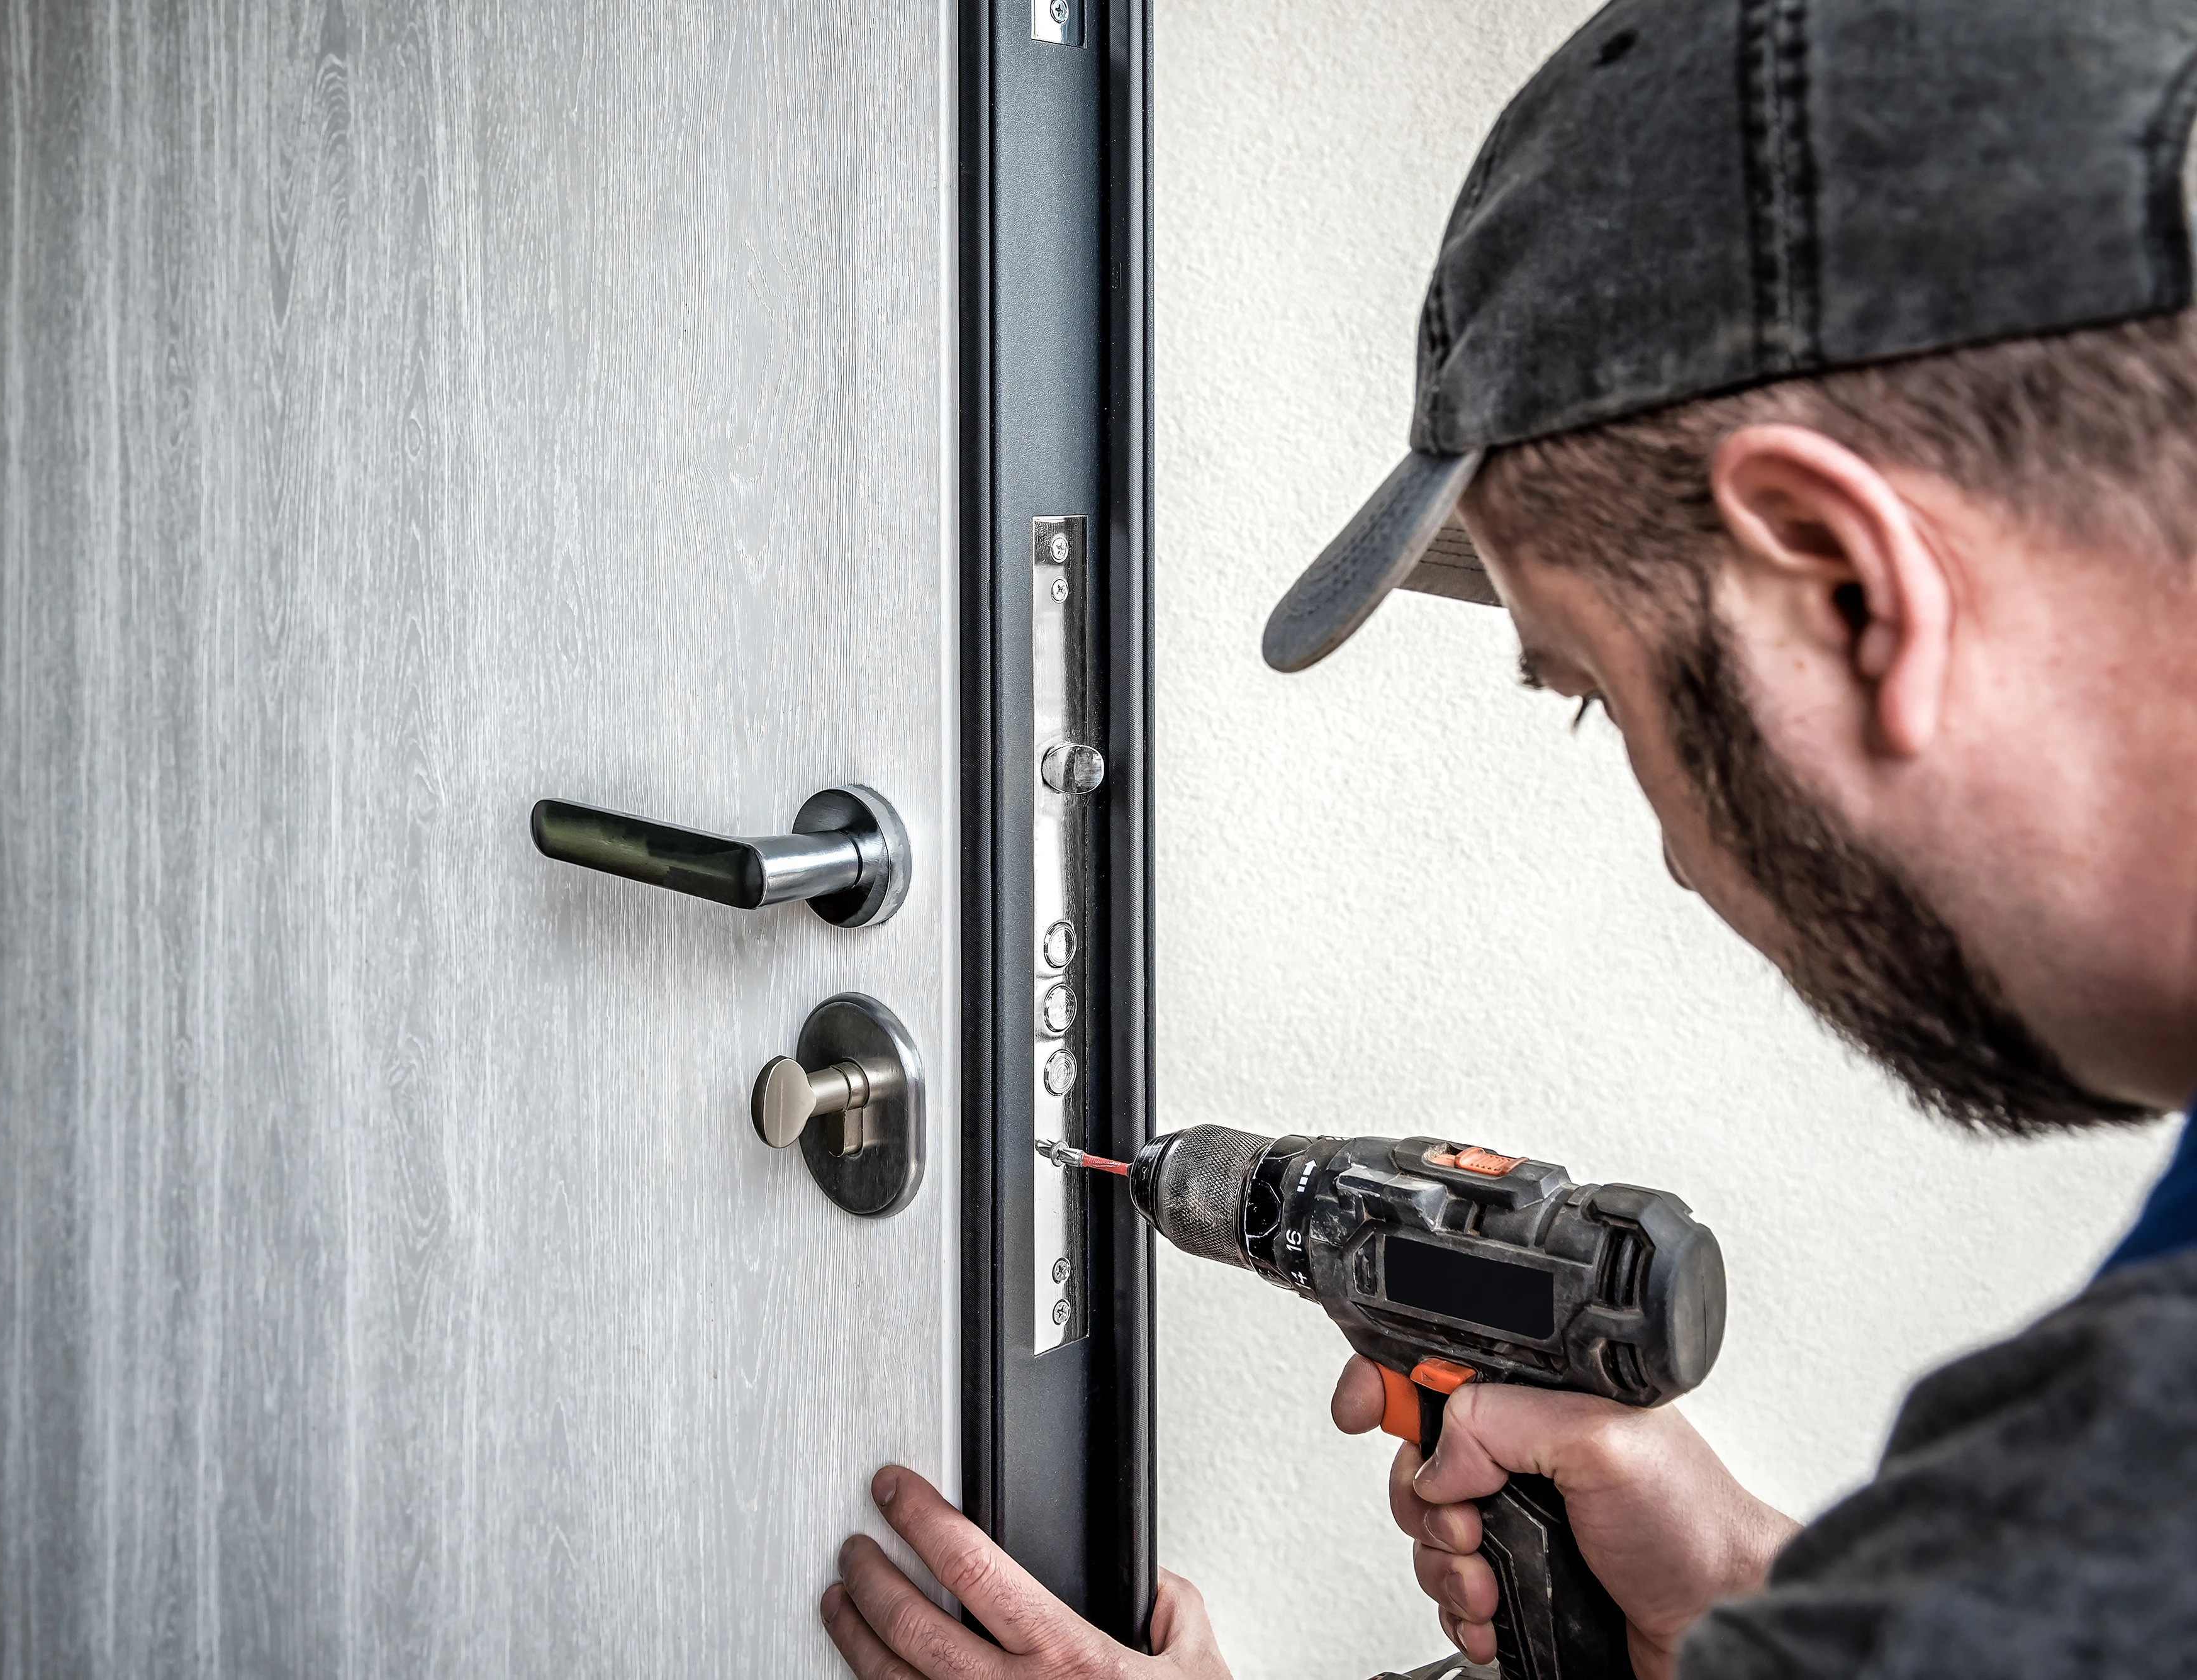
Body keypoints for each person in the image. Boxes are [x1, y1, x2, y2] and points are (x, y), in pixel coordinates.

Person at [816, 0, 2197, 1675]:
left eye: (1603, 696)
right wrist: (1751, 1598)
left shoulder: (2121, 1492)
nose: (1684, 858)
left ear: (1845, 585)